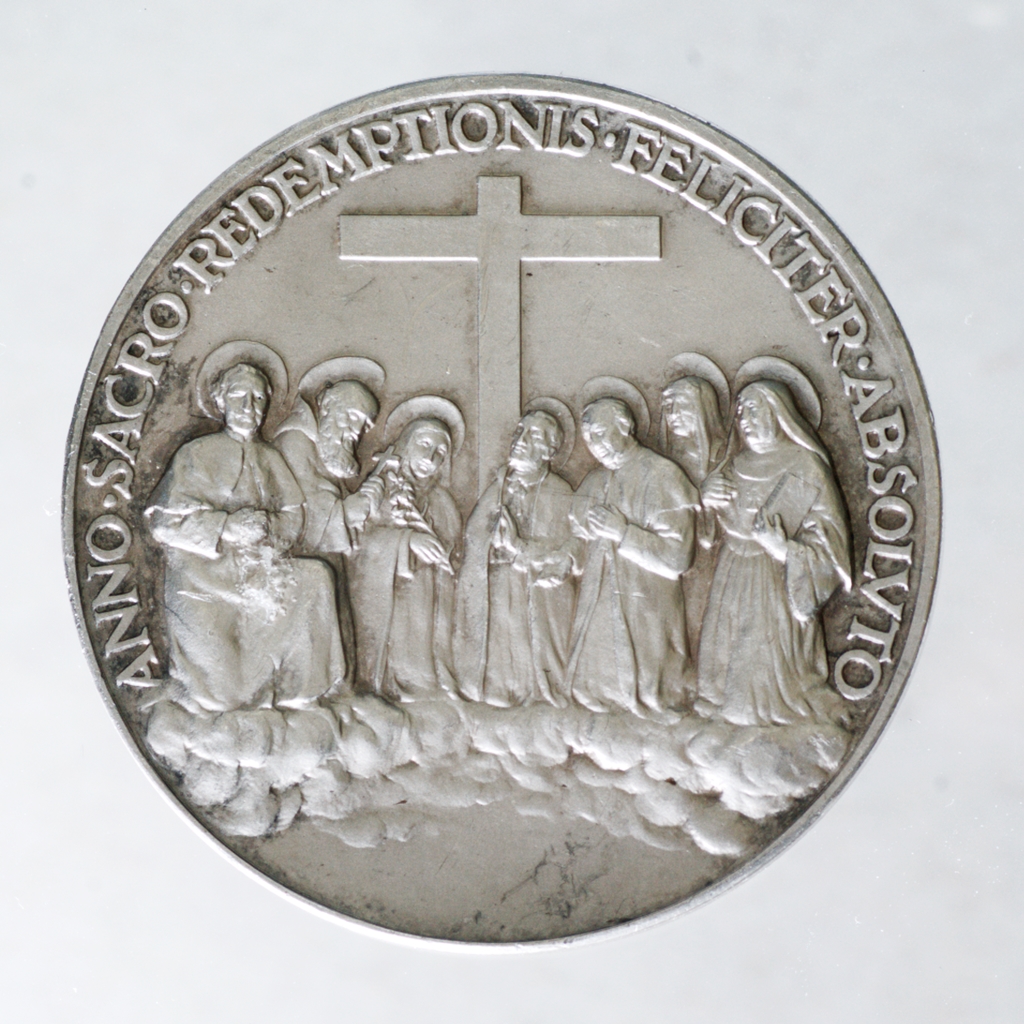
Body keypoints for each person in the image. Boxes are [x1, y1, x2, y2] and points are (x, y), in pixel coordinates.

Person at [145, 353, 346, 713]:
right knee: (223, 698)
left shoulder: (270, 458)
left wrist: (270, 532)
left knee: (316, 577)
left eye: (258, 399)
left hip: (260, 575)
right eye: (239, 396)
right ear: (221, 401)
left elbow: (293, 515)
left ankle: (303, 693)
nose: (249, 407)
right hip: (204, 585)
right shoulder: (196, 454)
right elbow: (162, 525)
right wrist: (226, 528)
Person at [696, 380, 852, 726]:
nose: (744, 419)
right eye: (740, 413)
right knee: (723, 657)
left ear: (778, 412)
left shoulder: (806, 468)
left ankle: (766, 715)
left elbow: (830, 542)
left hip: (777, 580)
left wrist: (784, 550)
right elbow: (707, 538)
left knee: (760, 660)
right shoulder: (733, 465)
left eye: (754, 410)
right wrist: (705, 497)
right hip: (730, 572)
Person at [566, 396, 699, 714]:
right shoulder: (595, 480)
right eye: (588, 439)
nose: (594, 445)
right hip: (597, 605)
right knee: (591, 701)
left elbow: (678, 558)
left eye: (600, 433)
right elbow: (576, 535)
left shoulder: (663, 475)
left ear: (625, 425)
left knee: (650, 695)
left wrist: (622, 532)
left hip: (645, 608)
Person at [455, 408, 576, 706]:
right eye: (519, 432)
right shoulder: (498, 488)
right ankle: (497, 691)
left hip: (537, 592)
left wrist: (519, 547)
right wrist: (491, 540)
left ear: (549, 450)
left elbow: (566, 551)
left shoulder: (560, 492)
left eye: (533, 436)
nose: (519, 441)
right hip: (497, 584)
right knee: (500, 636)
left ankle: (539, 690)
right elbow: (473, 537)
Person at [274, 364, 387, 684]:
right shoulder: (295, 442)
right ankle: (316, 686)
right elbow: (302, 516)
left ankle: (340, 685)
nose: (355, 432)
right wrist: (350, 510)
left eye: (362, 426)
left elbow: (330, 507)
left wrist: (362, 503)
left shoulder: (323, 451)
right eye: (351, 417)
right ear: (327, 407)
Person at [346, 408, 462, 701]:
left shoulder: (443, 502)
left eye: (440, 452)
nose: (430, 458)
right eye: (424, 445)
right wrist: (406, 541)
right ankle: (385, 682)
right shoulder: (380, 488)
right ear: (406, 444)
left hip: (428, 602)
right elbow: (357, 546)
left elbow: (454, 553)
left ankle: (425, 679)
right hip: (384, 593)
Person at [661, 374, 729, 655]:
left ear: (702, 407)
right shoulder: (663, 461)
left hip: (718, 568)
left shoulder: (725, 454)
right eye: (668, 407)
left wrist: (710, 502)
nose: (672, 414)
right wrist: (699, 496)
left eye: (681, 405)